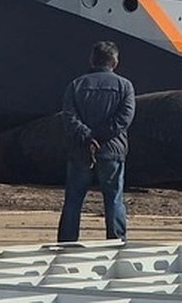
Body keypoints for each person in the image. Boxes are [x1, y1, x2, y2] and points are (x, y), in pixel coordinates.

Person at [56, 40, 136, 242]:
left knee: (73, 200)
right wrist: (100, 136)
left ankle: (67, 241)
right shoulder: (125, 86)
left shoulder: (76, 85)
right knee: (114, 199)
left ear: (92, 60)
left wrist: (89, 136)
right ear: (115, 62)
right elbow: (124, 118)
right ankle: (116, 240)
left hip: (80, 149)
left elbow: (69, 117)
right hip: (112, 150)